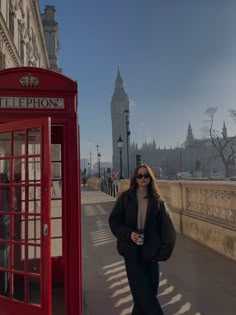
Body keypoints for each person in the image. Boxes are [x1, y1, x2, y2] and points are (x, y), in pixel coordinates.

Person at [109, 164, 176, 315]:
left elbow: (169, 231)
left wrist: (162, 254)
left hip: (151, 255)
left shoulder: (157, 201)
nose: (143, 178)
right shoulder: (126, 198)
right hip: (132, 254)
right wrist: (128, 234)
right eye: (140, 175)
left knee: (145, 297)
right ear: (135, 178)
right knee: (146, 299)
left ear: (150, 178)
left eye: (146, 175)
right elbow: (114, 221)